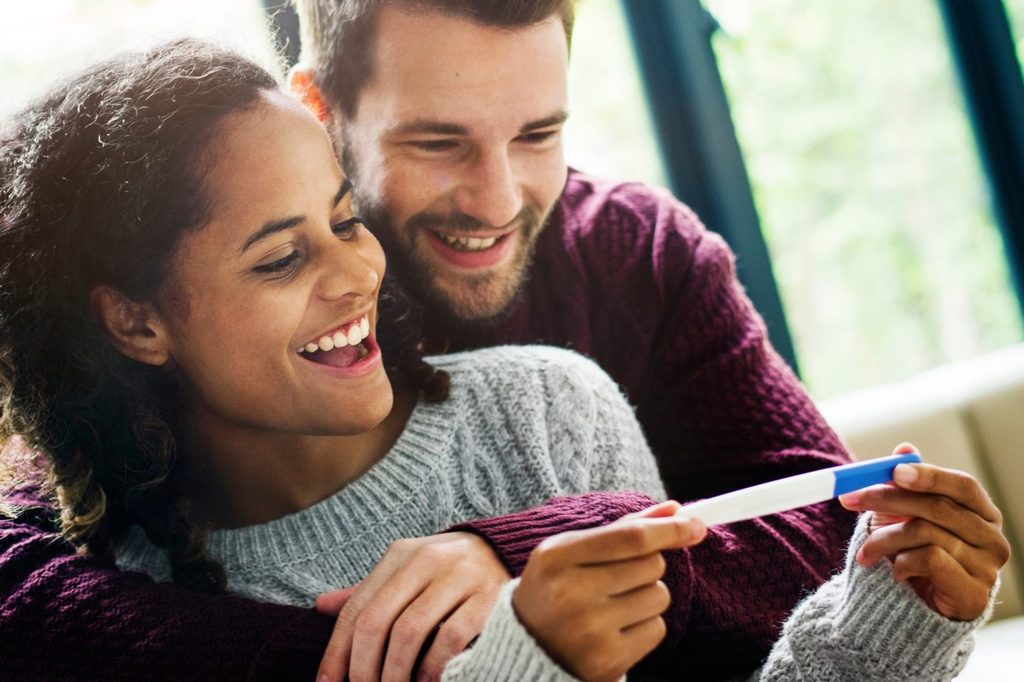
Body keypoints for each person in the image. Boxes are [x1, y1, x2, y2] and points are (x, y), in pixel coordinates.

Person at [0, 41, 1009, 682]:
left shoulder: (550, 408)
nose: (356, 274)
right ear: (134, 323)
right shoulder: (121, 577)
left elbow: (776, 583)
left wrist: (890, 622)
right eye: (279, 259)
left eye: (344, 223)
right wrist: (516, 660)